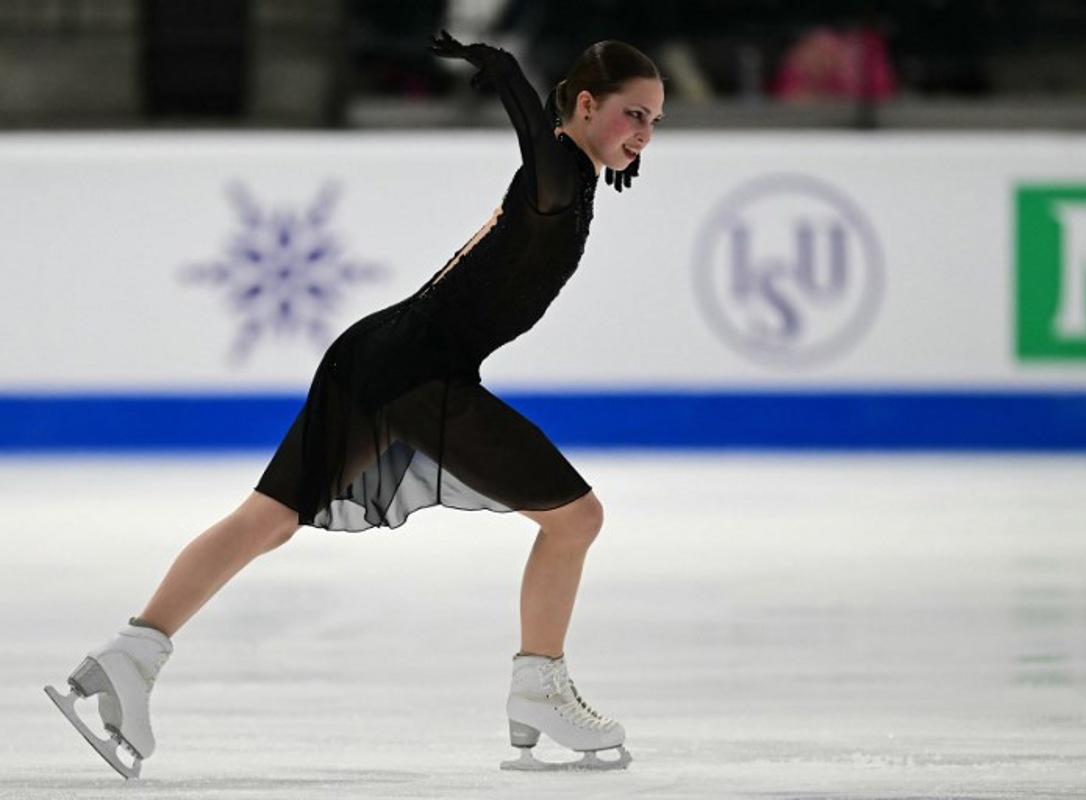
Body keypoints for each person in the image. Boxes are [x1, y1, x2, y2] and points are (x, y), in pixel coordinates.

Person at [44, 29, 665, 777]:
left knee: (266, 521)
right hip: (416, 373)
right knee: (576, 518)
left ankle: (130, 657)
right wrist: (511, 81)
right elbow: (544, 152)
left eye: (655, 123)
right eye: (634, 115)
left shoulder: (571, 176)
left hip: (376, 356)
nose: (644, 135)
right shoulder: (559, 169)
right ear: (588, 105)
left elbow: (550, 172)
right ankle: (539, 685)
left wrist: (581, 142)